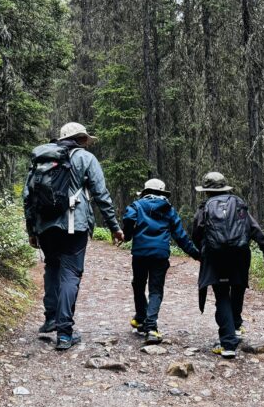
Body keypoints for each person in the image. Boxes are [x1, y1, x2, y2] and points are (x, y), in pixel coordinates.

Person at [23, 122, 124, 350]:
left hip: (45, 226)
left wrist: (32, 230)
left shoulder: (42, 159)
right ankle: (65, 333)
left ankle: (51, 318)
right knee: (70, 274)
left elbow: (28, 197)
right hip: (74, 225)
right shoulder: (86, 159)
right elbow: (101, 194)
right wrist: (113, 226)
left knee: (52, 267)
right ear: (80, 138)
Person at [191, 172, 264, 359]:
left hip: (215, 257)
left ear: (207, 191)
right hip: (239, 255)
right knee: (238, 288)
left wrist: (201, 252)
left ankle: (228, 344)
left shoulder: (205, 207)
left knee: (222, 295)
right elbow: (253, 228)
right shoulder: (238, 203)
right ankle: (235, 327)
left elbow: (196, 232)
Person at [122, 179, 201, 344]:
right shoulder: (169, 210)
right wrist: (196, 254)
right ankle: (150, 327)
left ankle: (142, 318)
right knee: (155, 290)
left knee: (138, 284)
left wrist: (128, 235)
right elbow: (180, 236)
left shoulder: (137, 206)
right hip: (160, 255)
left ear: (146, 191)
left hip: (140, 253)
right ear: (161, 193)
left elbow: (128, 218)